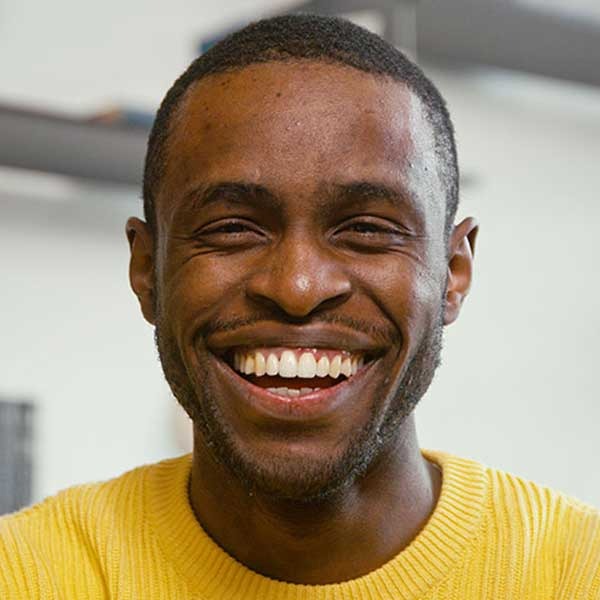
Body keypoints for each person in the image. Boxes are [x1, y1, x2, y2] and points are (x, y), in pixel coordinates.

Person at [1, 14, 599, 599]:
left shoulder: (578, 573)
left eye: (366, 228)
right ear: (146, 271)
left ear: (453, 274)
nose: (297, 287)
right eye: (232, 228)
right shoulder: (26, 574)